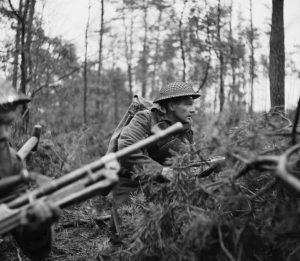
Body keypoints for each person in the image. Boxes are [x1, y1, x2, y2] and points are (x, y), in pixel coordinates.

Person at [0, 78, 60, 261]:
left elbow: (36, 252)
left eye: (7, 124)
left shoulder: (10, 160)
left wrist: (36, 229)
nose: (3, 135)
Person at [113, 81, 200, 205]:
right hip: (131, 181)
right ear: (171, 106)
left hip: (161, 184)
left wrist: (203, 168)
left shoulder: (185, 128)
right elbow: (126, 149)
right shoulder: (145, 119)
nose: (193, 110)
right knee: (128, 218)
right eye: (188, 104)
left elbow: (186, 160)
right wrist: (160, 170)